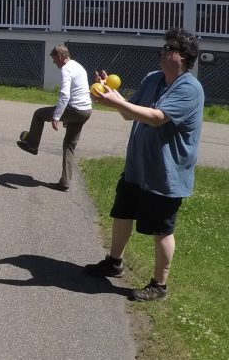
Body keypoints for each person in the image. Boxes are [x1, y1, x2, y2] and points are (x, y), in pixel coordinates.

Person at [84, 27, 204, 302]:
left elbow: (156, 117)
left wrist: (114, 102)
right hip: (137, 167)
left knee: (162, 230)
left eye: (169, 48)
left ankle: (159, 286)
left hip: (165, 174)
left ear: (183, 56)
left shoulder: (190, 88)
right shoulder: (153, 78)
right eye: (164, 47)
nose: (162, 52)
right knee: (122, 214)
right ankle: (114, 262)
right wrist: (111, 96)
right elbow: (130, 114)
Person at [17, 45, 92, 191]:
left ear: (60, 56)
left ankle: (32, 145)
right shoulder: (78, 66)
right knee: (69, 145)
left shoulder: (66, 69)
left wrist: (57, 116)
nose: (54, 62)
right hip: (86, 111)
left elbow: (64, 95)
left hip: (75, 109)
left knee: (39, 114)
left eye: (54, 59)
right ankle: (65, 182)